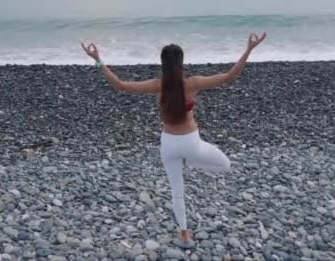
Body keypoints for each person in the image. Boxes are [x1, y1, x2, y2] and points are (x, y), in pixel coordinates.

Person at [80, 32, 267, 247]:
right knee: (226, 165)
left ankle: (184, 235)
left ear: (162, 64)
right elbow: (229, 77)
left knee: (177, 192)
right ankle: (190, 161)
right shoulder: (193, 84)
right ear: (182, 63)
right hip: (192, 144)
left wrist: (97, 61)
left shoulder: (157, 85)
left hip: (168, 145)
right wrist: (249, 49)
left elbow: (121, 85)